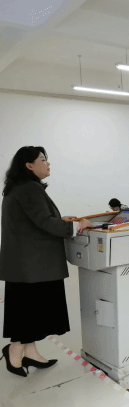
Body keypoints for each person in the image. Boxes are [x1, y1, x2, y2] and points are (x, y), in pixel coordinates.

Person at [0, 146, 94, 377]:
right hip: (34, 266)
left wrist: (59, 219)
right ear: (29, 165)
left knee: (28, 311)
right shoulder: (29, 188)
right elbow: (43, 221)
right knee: (31, 311)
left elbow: (33, 220)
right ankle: (14, 351)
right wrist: (77, 225)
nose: (48, 163)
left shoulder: (18, 188)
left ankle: (30, 352)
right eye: (43, 159)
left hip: (25, 265)